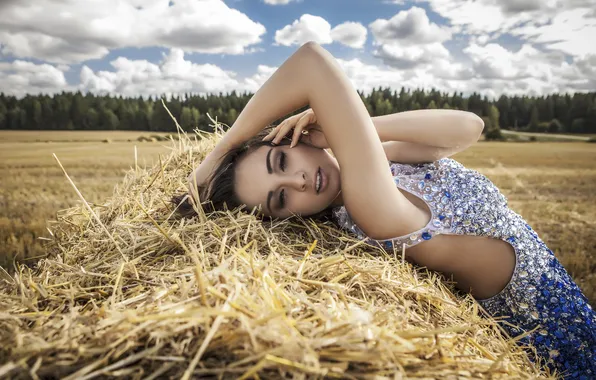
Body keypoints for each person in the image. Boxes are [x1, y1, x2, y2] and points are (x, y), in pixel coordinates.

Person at [182, 42, 595, 379]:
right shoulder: (368, 205)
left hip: (568, 306)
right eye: (281, 199)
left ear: (291, 140)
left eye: (282, 164)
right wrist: (220, 150)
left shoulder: (376, 167)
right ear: (288, 219)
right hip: (553, 341)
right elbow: (311, 62)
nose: (299, 183)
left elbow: (468, 127)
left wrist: (352, 127)